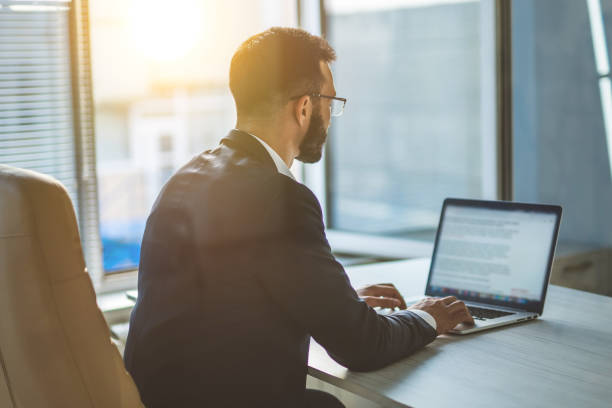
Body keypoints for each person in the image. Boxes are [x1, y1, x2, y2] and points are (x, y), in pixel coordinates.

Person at [124, 27, 474, 408]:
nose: (329, 115)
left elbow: (223, 296)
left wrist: (331, 301)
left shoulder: (186, 178)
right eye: (330, 102)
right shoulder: (281, 197)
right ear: (304, 107)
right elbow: (362, 347)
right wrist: (428, 318)